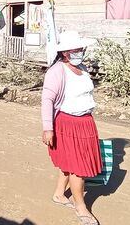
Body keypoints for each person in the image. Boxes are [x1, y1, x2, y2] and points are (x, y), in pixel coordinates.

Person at [41, 30, 102, 225]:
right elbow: (47, 100)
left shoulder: (82, 67)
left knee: (70, 162)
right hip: (68, 123)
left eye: (82, 49)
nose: (81, 52)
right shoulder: (57, 71)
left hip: (85, 122)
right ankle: (81, 207)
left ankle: (59, 194)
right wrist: (47, 128)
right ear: (66, 52)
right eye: (77, 49)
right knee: (78, 168)